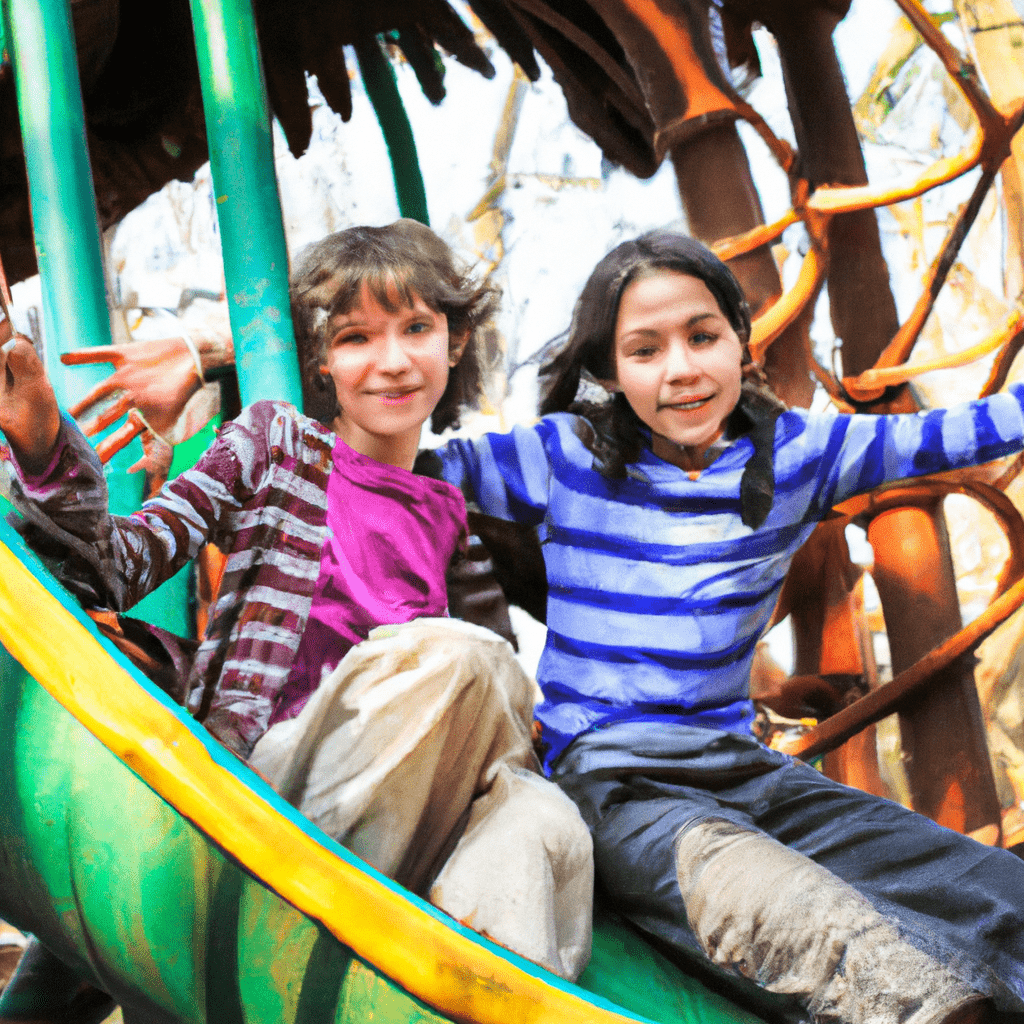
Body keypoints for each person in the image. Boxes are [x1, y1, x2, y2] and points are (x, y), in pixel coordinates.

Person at [425, 231, 1024, 1023]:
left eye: (702, 337)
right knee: (838, 943)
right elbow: (399, 465)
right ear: (608, 372)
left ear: (740, 341)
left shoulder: (798, 453)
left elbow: (965, 432)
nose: (681, 369)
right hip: (616, 785)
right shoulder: (562, 458)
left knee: (991, 891)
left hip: (745, 775)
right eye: (645, 350)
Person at [0, 220, 592, 983]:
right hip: (269, 795)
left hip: (405, 814)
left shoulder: (447, 514)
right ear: (323, 361)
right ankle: (284, 932)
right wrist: (46, 446)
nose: (392, 361)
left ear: (454, 341)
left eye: (416, 328)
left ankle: (454, 987)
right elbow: (117, 568)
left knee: (551, 823)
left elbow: (497, 718)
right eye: (355, 339)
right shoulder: (276, 445)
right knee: (463, 658)